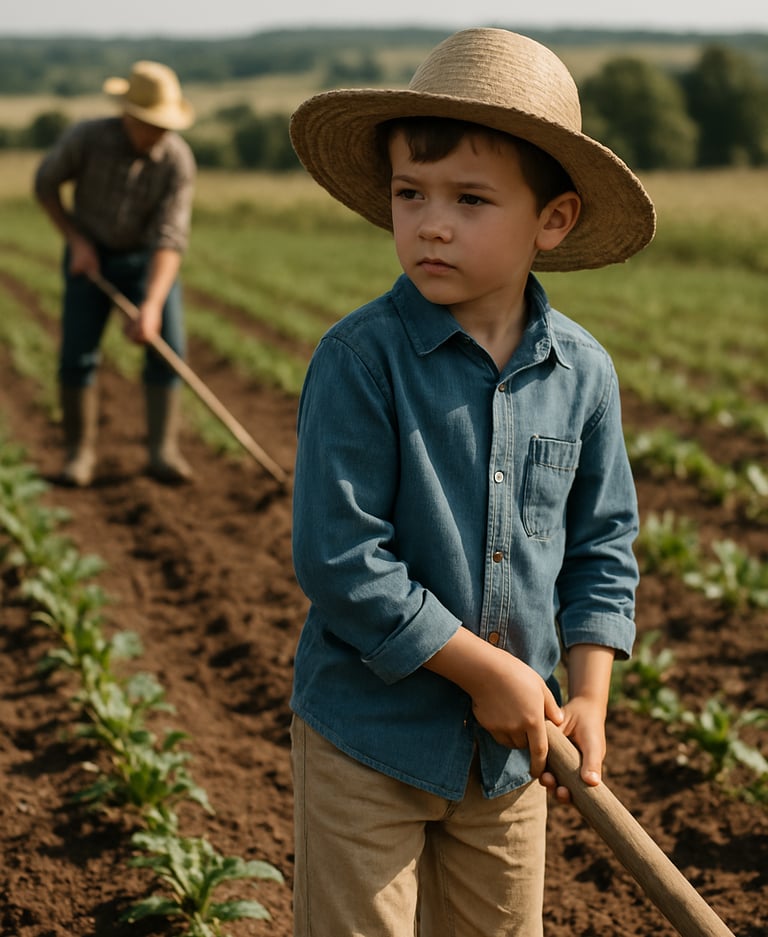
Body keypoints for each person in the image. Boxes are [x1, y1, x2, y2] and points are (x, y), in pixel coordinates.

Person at [288, 27, 656, 937]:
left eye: (470, 198)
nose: (432, 222)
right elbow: (341, 559)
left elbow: (602, 546)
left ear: (553, 219)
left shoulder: (584, 374)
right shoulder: (361, 360)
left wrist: (589, 697)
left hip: (506, 761)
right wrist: (485, 667)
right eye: (410, 194)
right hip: (367, 738)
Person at [34, 60, 197, 486]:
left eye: (164, 124)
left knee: (168, 349)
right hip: (90, 258)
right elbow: (44, 183)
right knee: (78, 355)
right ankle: (79, 454)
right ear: (128, 114)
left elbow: (170, 238)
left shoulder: (177, 161)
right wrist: (76, 240)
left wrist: (152, 304)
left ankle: (162, 452)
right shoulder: (87, 139)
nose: (158, 132)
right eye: (150, 123)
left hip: (147, 259)